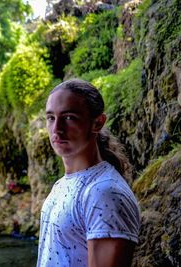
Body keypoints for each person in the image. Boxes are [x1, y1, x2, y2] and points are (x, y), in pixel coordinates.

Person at [37, 79, 140, 267]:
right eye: (51, 118)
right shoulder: (62, 184)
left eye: (69, 117)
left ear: (97, 123)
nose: (56, 129)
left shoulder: (105, 193)